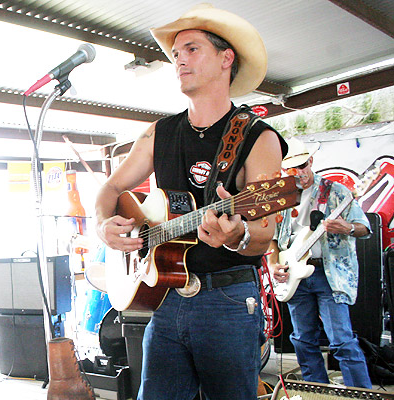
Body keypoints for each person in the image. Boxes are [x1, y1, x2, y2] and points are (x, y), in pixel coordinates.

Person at [95, 5, 287, 399]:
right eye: (177, 53)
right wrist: (103, 225)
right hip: (165, 301)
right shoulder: (158, 133)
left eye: (192, 49)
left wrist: (235, 237)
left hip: (228, 301)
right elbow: (110, 189)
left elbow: (264, 234)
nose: (180, 59)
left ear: (225, 59)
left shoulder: (259, 138)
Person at [269, 137, 372, 388]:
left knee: (341, 340)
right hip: (295, 275)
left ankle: (360, 392)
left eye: (302, 165)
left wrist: (346, 227)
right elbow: (272, 238)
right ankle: (317, 390)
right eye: (292, 168)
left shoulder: (336, 192)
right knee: (303, 339)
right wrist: (273, 264)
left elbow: (364, 228)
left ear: (311, 161)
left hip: (329, 274)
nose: (299, 172)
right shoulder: (282, 196)